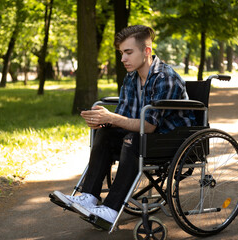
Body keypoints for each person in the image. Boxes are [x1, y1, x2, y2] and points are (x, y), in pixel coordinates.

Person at [53, 25, 195, 224]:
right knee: (106, 134)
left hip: (170, 139)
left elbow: (150, 126)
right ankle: (89, 197)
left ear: (147, 51)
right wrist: (101, 120)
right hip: (143, 138)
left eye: (128, 52)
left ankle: (111, 209)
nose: (122, 59)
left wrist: (111, 118)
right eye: (121, 53)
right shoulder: (130, 79)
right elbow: (123, 120)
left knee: (131, 137)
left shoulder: (165, 78)